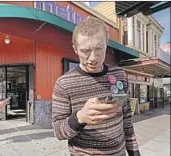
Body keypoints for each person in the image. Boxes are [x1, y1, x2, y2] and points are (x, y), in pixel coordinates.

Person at [51, 17, 140, 156]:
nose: (93, 57)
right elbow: (58, 132)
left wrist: (135, 153)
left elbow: (127, 121)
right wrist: (80, 118)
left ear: (107, 44)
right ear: (75, 49)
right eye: (85, 50)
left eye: (99, 48)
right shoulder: (63, 84)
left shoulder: (120, 75)